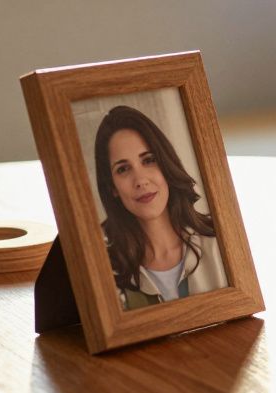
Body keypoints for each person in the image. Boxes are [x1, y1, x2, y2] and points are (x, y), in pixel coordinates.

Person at [94, 105, 227, 310]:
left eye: (149, 160)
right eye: (123, 169)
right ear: (112, 187)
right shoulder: (104, 271)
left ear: (165, 164)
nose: (140, 181)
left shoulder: (221, 243)